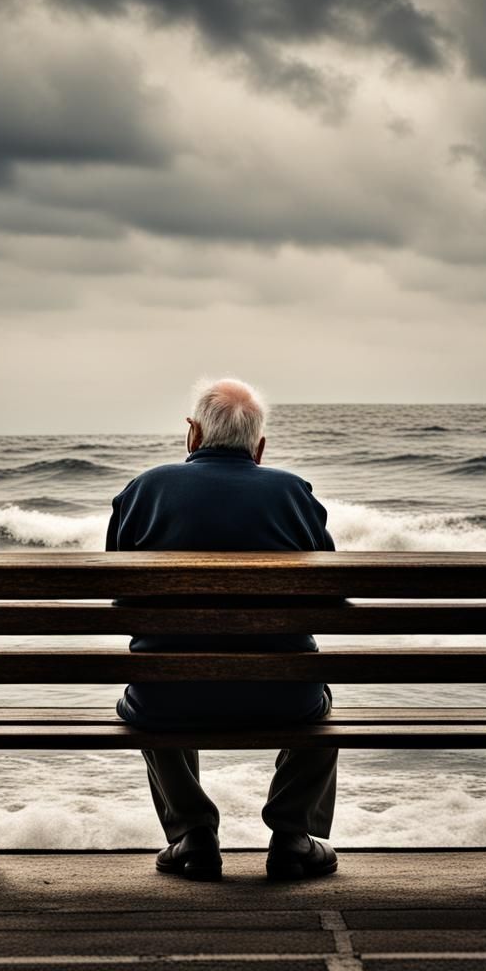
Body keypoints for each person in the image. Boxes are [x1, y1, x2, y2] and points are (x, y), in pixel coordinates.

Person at [105, 377, 339, 882]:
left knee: (154, 688)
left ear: (192, 434)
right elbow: (330, 599)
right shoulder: (294, 494)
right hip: (286, 699)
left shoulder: (143, 491)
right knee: (320, 698)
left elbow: (120, 599)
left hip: (167, 699)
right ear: (259, 447)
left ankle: (192, 834)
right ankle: (293, 836)